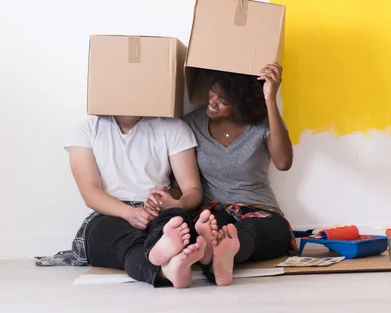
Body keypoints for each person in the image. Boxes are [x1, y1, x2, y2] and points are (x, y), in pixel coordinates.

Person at [36, 115, 218, 289]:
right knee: (121, 240)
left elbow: (193, 192)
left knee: (176, 218)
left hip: (158, 210)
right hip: (111, 213)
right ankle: (167, 267)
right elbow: (90, 193)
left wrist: (173, 203)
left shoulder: (173, 127)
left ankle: (168, 256)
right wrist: (129, 213)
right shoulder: (87, 128)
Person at [183, 62, 296, 286]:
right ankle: (219, 249)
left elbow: (283, 162)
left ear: (242, 106)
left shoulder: (262, 124)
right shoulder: (191, 124)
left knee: (264, 230)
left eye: (223, 101)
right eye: (212, 92)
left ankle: (223, 250)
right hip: (213, 209)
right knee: (214, 226)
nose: (212, 102)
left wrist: (270, 100)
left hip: (259, 210)